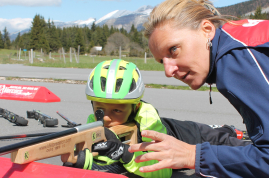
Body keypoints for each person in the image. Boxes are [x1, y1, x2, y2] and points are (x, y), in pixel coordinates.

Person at [128, 0, 269, 177]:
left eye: (174, 50)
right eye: (162, 61)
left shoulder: (237, 57)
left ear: (207, 29)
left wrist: (192, 155)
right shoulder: (237, 39)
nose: (168, 71)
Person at [68, 59, 249, 178]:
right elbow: (102, 161)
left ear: (135, 107)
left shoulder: (148, 120)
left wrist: (125, 154)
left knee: (226, 141)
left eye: (116, 110)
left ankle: (230, 130)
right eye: (100, 110)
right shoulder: (95, 120)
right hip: (171, 130)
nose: (106, 118)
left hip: (186, 134)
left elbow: (162, 171)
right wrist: (83, 160)